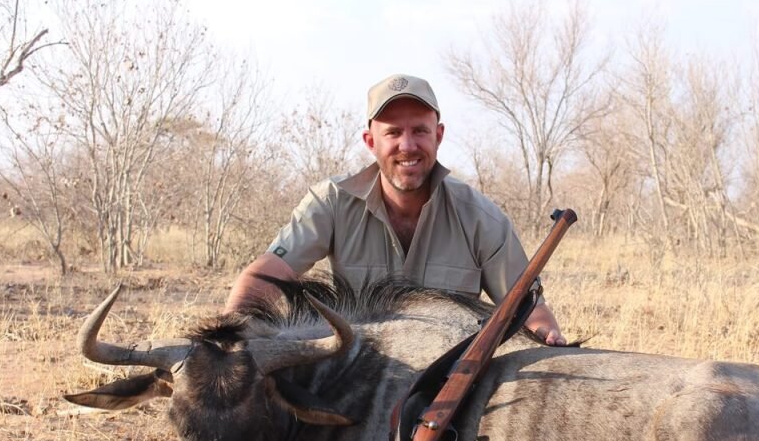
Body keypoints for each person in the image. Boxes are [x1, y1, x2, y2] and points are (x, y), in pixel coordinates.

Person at [226, 73, 566, 345]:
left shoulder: (480, 217)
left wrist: (546, 333)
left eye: (420, 130)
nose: (408, 145)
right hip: (359, 379)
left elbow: (528, 308)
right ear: (371, 141)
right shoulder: (330, 201)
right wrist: (228, 337)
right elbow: (267, 275)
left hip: (450, 384)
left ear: (439, 136)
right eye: (393, 133)